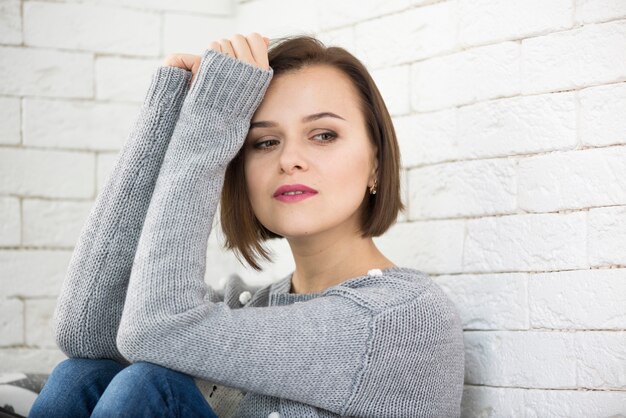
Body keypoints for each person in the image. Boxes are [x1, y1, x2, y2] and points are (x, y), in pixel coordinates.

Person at [29, 32, 465, 417]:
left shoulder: (398, 318)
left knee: (147, 384)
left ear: (376, 164)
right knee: (80, 376)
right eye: (265, 142)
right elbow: (88, 335)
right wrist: (166, 114)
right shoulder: (248, 310)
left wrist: (211, 123)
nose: (289, 159)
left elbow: (154, 329)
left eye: (324, 135)